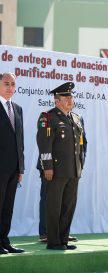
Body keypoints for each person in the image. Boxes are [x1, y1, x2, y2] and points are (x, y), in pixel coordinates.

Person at [36, 82, 86, 250]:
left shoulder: (76, 118)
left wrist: (80, 165)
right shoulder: (48, 117)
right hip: (55, 171)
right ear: (56, 101)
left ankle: (63, 239)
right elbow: (44, 144)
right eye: (66, 97)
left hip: (73, 170)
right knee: (54, 206)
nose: (70, 99)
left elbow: (82, 144)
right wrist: (47, 167)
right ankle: (53, 241)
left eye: (71, 96)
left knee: (68, 206)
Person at [0, 72, 25, 254]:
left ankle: (4, 241)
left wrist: (21, 167)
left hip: (13, 168)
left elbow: (20, 141)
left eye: (12, 84)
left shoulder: (17, 109)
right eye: (6, 83)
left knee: (7, 207)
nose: (10, 87)